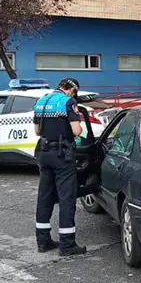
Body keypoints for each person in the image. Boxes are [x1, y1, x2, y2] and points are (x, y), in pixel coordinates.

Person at [33, 77, 87, 257]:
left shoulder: (41, 101)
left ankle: (43, 241)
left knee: (44, 197)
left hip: (43, 153)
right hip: (61, 155)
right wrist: (78, 122)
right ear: (72, 89)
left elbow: (37, 131)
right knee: (66, 198)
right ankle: (67, 244)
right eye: (74, 92)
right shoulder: (67, 102)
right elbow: (76, 131)